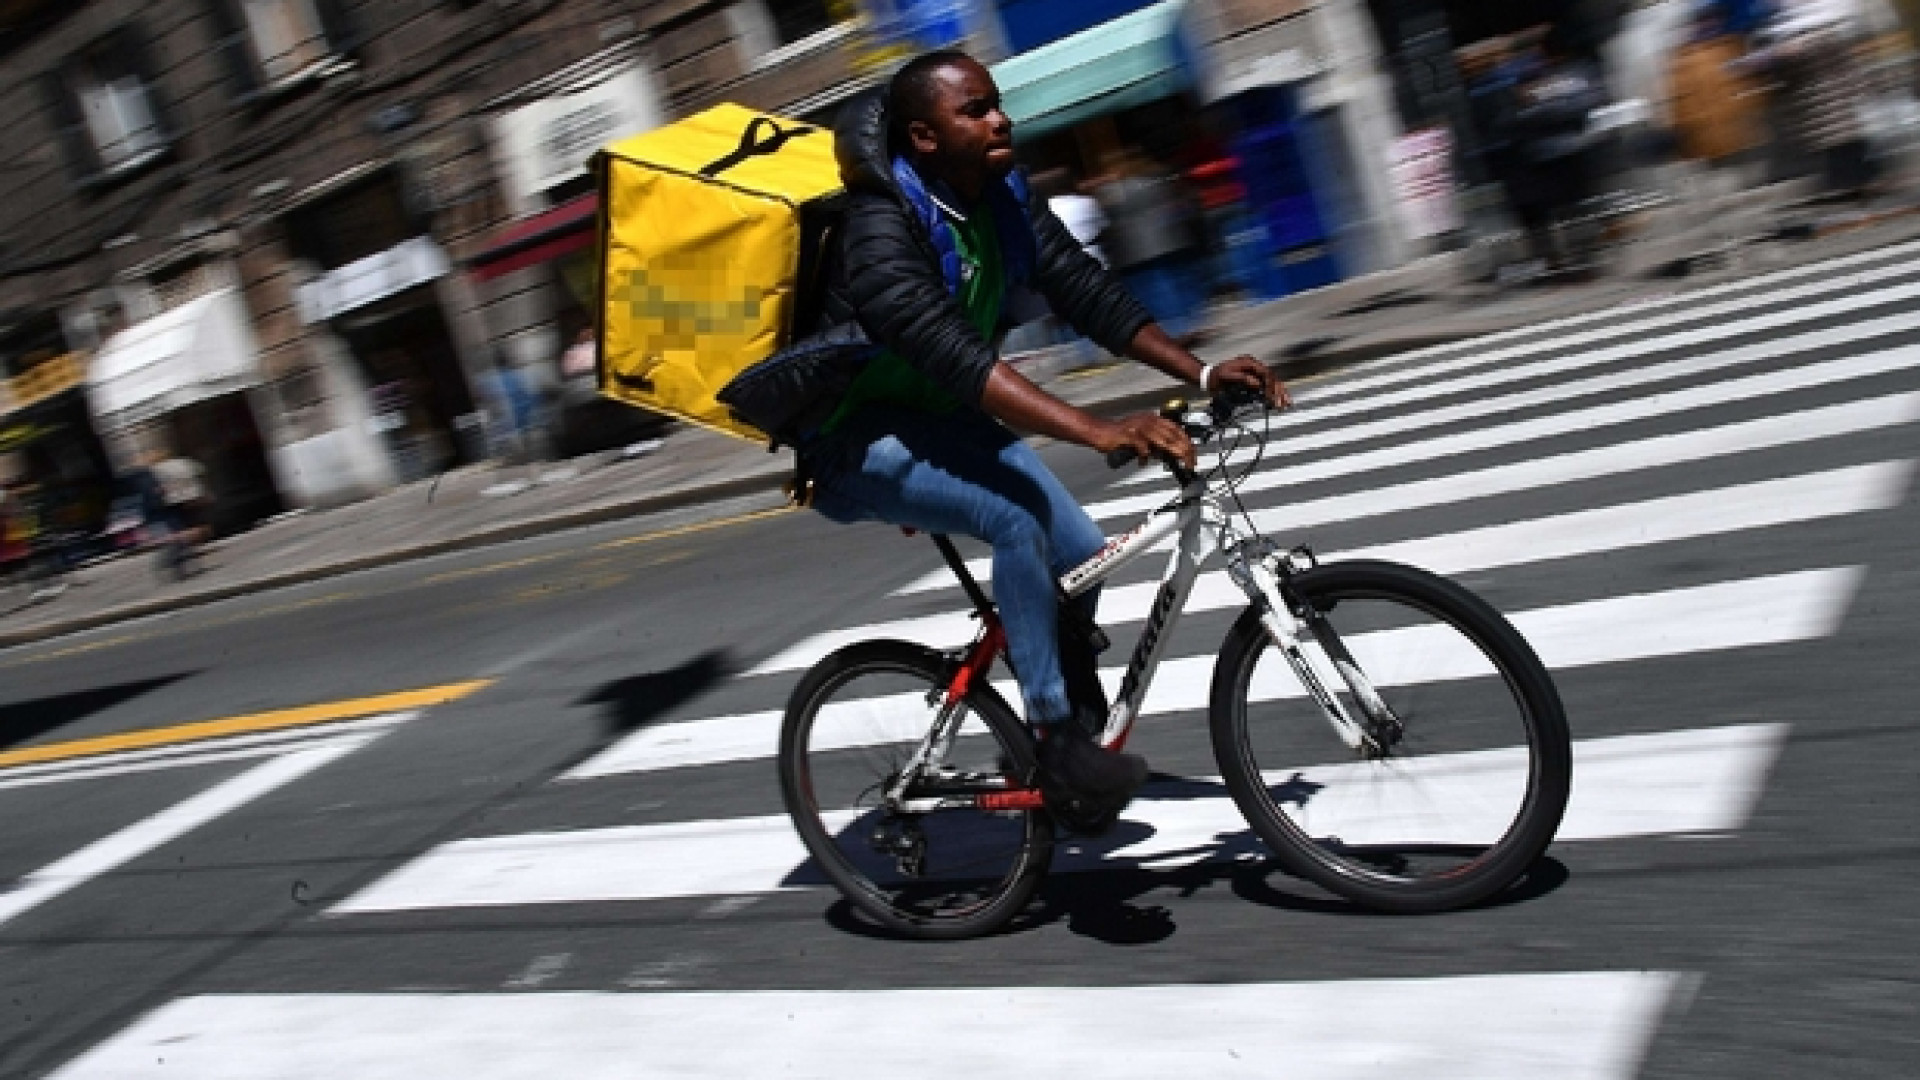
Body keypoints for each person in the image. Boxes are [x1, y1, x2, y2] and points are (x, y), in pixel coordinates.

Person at [798, 50, 1288, 824]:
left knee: (1081, 557)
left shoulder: (1004, 197)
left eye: (999, 104)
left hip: (942, 424)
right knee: (1013, 522)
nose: (1002, 119)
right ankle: (1056, 737)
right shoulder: (880, 227)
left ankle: (1068, 728)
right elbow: (954, 357)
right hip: (853, 440)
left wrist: (1200, 374)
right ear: (924, 137)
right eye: (977, 110)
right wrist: (1100, 430)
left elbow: (1088, 294)